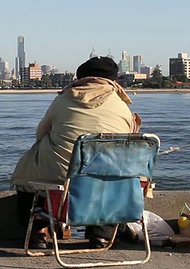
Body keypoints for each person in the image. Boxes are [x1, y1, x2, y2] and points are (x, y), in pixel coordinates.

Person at [10, 56, 141, 249]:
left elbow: (40, 135)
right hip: (109, 179)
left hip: (61, 178)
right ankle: (101, 235)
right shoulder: (122, 105)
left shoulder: (63, 100)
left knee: (29, 167)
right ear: (114, 80)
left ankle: (38, 230)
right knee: (108, 171)